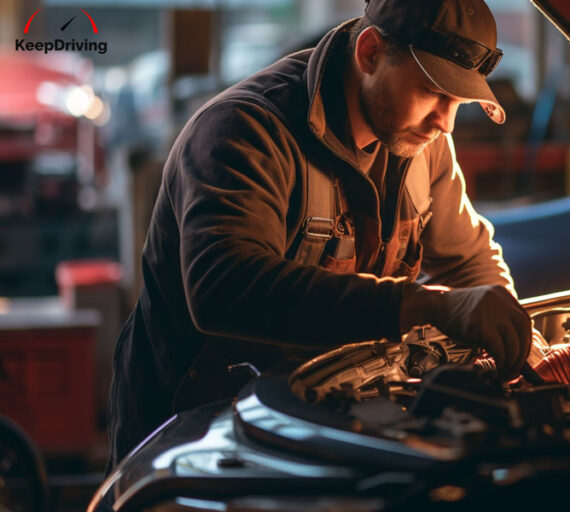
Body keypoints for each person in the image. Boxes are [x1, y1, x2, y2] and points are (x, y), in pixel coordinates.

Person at [106, 0, 531, 470]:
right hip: (198, 439)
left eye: (460, 101)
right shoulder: (244, 132)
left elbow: (470, 261)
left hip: (318, 418)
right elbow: (222, 287)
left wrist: (504, 326)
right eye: (434, 91)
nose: (445, 123)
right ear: (370, 53)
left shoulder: (423, 144)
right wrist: (424, 305)